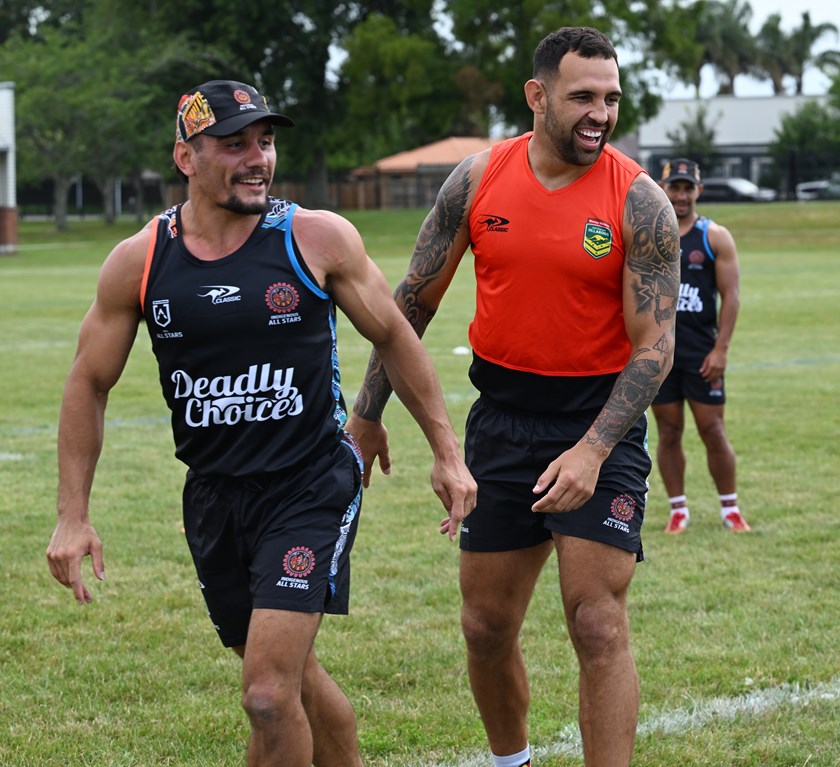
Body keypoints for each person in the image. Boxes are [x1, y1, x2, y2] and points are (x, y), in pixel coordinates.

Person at [45, 79, 476, 767]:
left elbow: (396, 336)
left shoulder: (314, 238)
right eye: (235, 143)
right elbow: (87, 382)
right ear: (186, 158)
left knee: (268, 695)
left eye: (266, 141)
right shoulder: (143, 259)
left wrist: (446, 451)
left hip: (310, 483)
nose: (259, 158)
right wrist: (73, 513)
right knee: (292, 677)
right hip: (215, 496)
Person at [347, 27, 679, 767]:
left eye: (612, 98)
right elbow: (411, 305)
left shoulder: (642, 202)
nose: (601, 113)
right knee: (485, 626)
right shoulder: (475, 180)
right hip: (500, 422)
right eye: (583, 96)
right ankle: (511, 761)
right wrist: (366, 412)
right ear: (537, 95)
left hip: (600, 422)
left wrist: (594, 449)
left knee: (597, 622)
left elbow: (657, 346)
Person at [652, 158, 750, 533]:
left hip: (700, 351)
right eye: (674, 187)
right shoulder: (649, 235)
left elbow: (732, 296)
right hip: (660, 353)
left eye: (686, 187)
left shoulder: (714, 236)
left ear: (698, 191)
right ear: (662, 188)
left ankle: (730, 508)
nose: (680, 195)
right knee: (669, 430)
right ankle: (678, 509)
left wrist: (721, 349)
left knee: (712, 429)